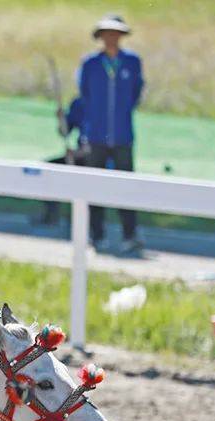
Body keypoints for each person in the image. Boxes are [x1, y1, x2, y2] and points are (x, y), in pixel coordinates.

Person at [78, 14, 144, 253]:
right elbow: (85, 95)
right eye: (106, 34)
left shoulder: (132, 62)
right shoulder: (91, 64)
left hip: (122, 135)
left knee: (126, 186)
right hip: (96, 135)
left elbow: (135, 93)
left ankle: (130, 233)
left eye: (115, 33)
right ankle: (97, 234)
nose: (111, 38)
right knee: (94, 186)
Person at [35, 96, 88, 226]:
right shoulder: (78, 103)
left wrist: (79, 153)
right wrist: (61, 118)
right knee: (49, 168)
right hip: (78, 156)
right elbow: (64, 132)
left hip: (95, 157)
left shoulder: (104, 103)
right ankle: (52, 213)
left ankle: (84, 222)